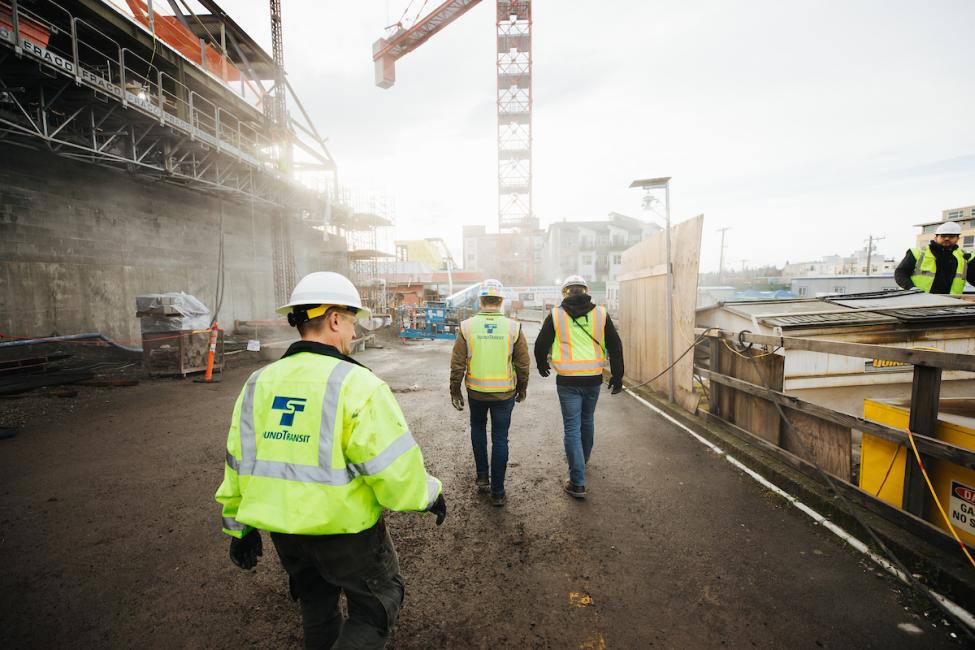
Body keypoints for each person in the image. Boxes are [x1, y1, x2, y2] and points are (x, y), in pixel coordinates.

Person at [215, 271, 446, 650]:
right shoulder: (357, 384)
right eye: (352, 322)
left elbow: (237, 461)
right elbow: (393, 469)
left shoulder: (258, 382)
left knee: (316, 603)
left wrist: (238, 527)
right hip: (346, 533)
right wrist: (428, 494)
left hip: (287, 532)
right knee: (376, 608)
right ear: (335, 319)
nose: (354, 333)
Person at [533, 275, 624, 499]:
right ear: (585, 291)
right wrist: (618, 374)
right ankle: (582, 460)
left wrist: (541, 363)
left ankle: (577, 481)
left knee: (572, 428)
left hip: (567, 381)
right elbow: (615, 344)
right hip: (593, 378)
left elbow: (540, 344)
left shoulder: (556, 314)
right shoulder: (601, 313)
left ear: (565, 292)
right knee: (587, 420)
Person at [449, 278, 529, 507]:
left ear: (481, 301)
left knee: (478, 429)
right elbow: (523, 364)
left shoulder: (467, 326)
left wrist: (455, 390)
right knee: (500, 438)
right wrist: (522, 387)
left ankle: (483, 477)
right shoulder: (513, 327)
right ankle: (498, 492)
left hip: (477, 392)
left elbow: (457, 364)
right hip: (504, 393)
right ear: (500, 301)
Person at [894, 221, 974, 294]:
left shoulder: (965, 257)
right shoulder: (918, 253)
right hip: (919, 300)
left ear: (958, 239)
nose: (947, 238)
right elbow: (900, 273)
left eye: (951, 236)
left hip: (950, 303)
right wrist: (911, 288)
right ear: (935, 237)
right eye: (943, 236)